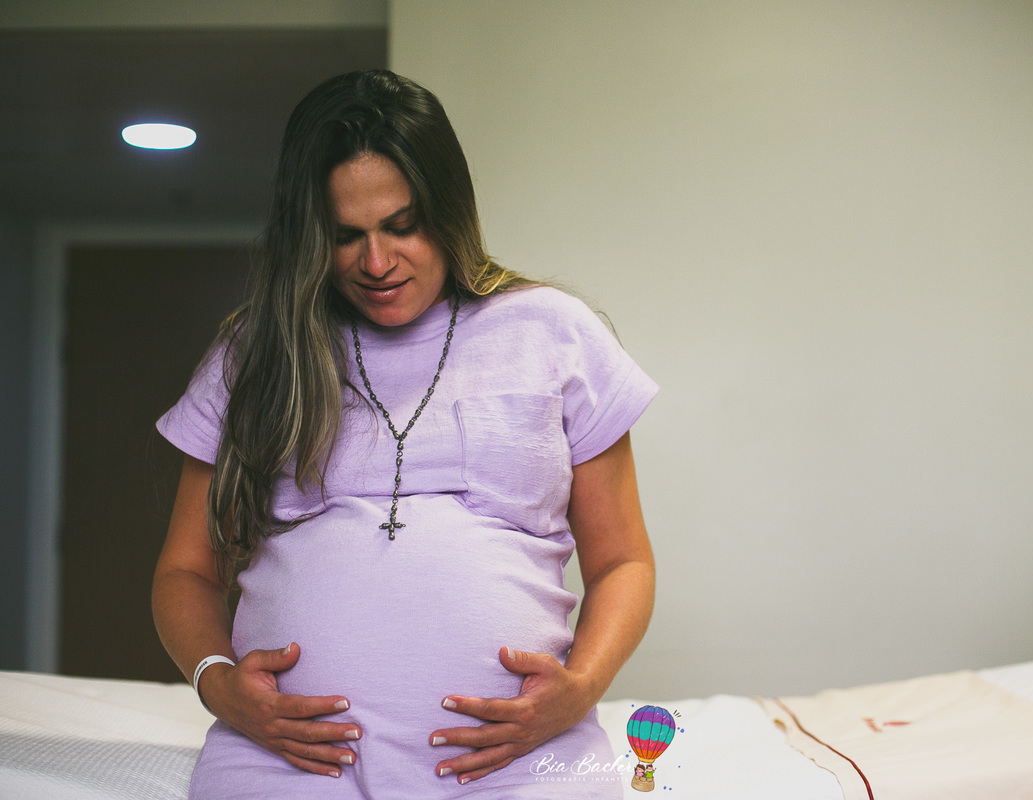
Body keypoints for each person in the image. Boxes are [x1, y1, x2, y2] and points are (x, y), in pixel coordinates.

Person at [151, 70, 656, 799]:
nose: (377, 263)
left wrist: (581, 686)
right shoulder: (257, 352)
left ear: (449, 211)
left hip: (516, 759)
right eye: (345, 236)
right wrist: (217, 684)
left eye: (402, 225)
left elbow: (624, 563)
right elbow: (184, 571)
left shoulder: (553, 332)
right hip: (290, 758)